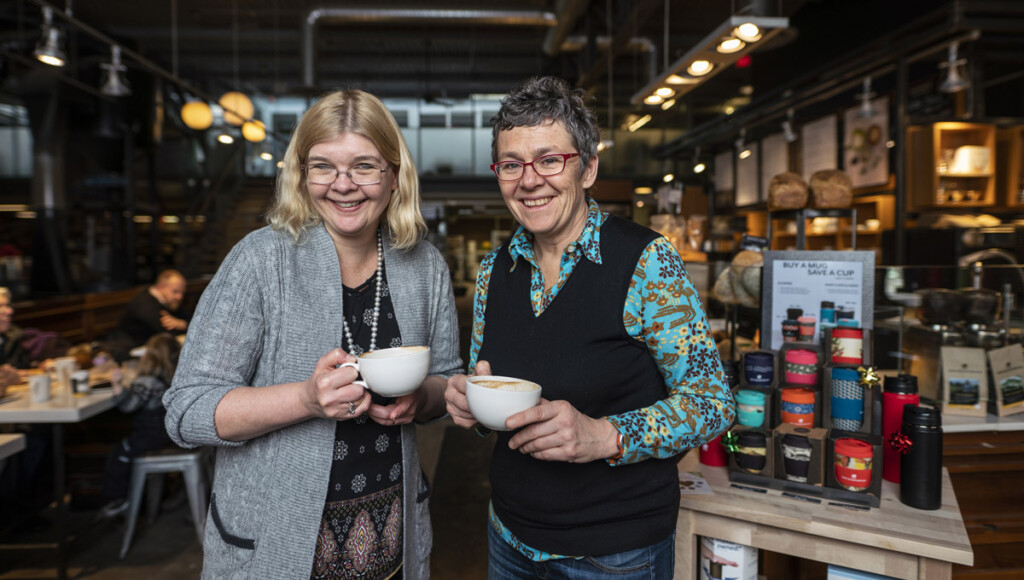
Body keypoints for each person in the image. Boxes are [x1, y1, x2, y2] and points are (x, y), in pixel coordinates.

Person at [443, 76, 735, 579]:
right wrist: (471, 402)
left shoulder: (646, 260)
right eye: (511, 164)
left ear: (588, 168)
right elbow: (496, 396)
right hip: (509, 535)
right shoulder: (495, 271)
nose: (529, 180)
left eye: (550, 159)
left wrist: (605, 435)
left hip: (614, 554)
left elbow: (712, 402)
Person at [164, 89, 461, 580]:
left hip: (392, 549)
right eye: (323, 166)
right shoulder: (260, 261)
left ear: (393, 175)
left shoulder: (423, 265)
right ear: (301, 176)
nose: (343, 186)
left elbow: (447, 382)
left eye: (364, 166)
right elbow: (186, 411)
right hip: (274, 549)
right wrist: (304, 399)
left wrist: (420, 398)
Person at [97, 333, 181, 518]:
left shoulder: (147, 381)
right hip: (167, 434)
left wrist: (117, 384)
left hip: (150, 436)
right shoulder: (172, 378)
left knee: (121, 452)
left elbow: (128, 406)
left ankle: (118, 499)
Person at [114, 269, 190, 350]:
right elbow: (166, 333)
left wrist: (183, 324)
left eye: (182, 293)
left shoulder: (170, 301)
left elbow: (190, 319)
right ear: (161, 287)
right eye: (175, 292)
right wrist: (183, 325)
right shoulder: (144, 302)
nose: (180, 297)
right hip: (129, 351)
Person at [0, 286, 30, 380]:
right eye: (0, 306)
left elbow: (21, 369)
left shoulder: (13, 336)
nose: (10, 311)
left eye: (8, 305)